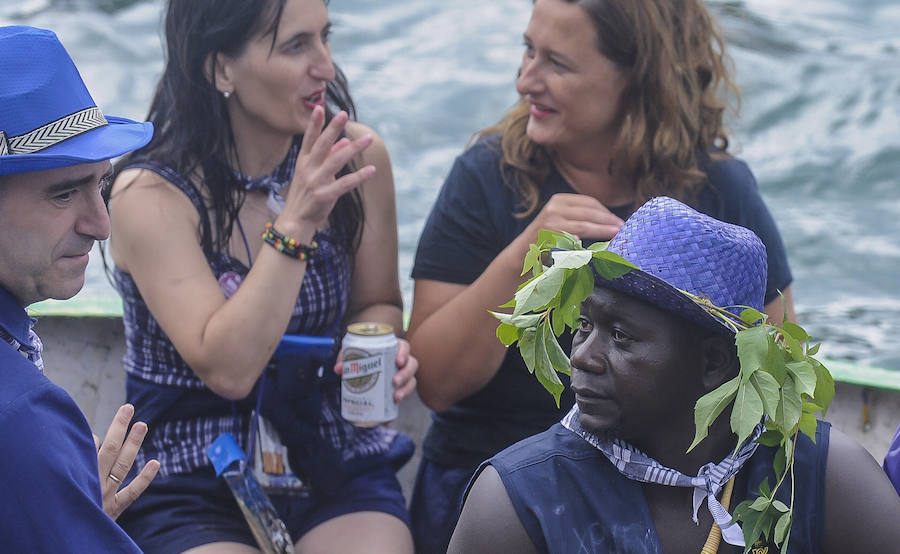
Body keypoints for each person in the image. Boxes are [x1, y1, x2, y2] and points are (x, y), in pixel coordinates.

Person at [407, 0, 797, 550]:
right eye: (527, 50)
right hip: (485, 482)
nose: (524, 81)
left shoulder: (718, 191)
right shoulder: (486, 179)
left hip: (673, 498)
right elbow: (436, 386)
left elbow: (777, 377)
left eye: (556, 64)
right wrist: (525, 256)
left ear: (639, 78)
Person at [105, 0, 417, 552]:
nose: (326, 66)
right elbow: (228, 369)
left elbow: (377, 304)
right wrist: (295, 223)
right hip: (188, 470)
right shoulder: (150, 196)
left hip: (326, 451)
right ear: (220, 68)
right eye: (297, 46)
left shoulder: (358, 164)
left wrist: (380, 348)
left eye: (325, 38)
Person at [448, 196, 900, 554]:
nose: (582, 357)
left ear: (714, 363)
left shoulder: (817, 476)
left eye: (621, 335)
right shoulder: (520, 500)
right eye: (585, 325)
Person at [0, 25, 160, 552]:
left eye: (101, 184)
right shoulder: (25, 422)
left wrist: (61, 516)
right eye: (63, 193)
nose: (101, 224)